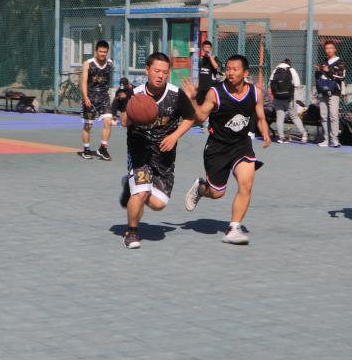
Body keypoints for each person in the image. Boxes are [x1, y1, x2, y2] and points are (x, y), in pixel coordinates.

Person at [182, 54, 271, 245]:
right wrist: (192, 99)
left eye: (235, 69)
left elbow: (260, 116)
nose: (230, 72)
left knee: (246, 183)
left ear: (245, 72)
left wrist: (265, 131)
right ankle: (201, 188)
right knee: (217, 193)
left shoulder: (255, 93)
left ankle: (234, 228)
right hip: (217, 147)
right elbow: (199, 117)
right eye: (228, 69)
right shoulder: (215, 93)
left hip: (241, 145)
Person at [119, 52, 196, 249]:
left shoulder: (176, 94)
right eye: (156, 71)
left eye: (164, 72)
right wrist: (131, 110)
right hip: (140, 150)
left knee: (158, 204)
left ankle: (130, 186)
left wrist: (174, 136)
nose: (160, 75)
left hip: (164, 155)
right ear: (147, 70)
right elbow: (124, 122)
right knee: (142, 191)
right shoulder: (135, 94)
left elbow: (190, 118)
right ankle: (131, 232)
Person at [79, 40, 114, 161]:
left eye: (105, 52)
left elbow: (108, 80)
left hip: (104, 96)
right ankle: (86, 149)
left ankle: (103, 148)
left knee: (108, 122)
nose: (102, 54)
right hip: (91, 97)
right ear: (96, 51)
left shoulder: (110, 63)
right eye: (100, 51)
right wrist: (85, 97)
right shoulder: (88, 63)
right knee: (88, 125)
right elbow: (83, 82)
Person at [315, 41, 346, 148]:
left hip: (334, 92)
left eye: (331, 48)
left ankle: (335, 140)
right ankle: (326, 139)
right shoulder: (323, 61)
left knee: (333, 115)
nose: (328, 50)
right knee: (324, 116)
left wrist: (329, 71)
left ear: (335, 49)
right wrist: (318, 71)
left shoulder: (340, 62)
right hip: (322, 91)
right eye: (326, 48)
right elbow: (319, 77)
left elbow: (341, 77)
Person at [269, 58, 306, 143]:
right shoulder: (291, 69)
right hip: (289, 98)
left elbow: (270, 84)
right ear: (289, 64)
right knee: (294, 116)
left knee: (280, 117)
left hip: (277, 97)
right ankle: (304, 135)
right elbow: (297, 84)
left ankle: (281, 137)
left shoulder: (275, 70)